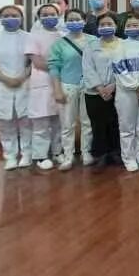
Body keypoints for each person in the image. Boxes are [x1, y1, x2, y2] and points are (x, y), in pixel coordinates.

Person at [0, 5, 32, 170]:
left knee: (26, 122)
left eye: (14, 15)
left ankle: (27, 154)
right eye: (6, 15)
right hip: (0, 85)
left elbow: (33, 62)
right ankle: (10, 156)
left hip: (25, 83)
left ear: (21, 18)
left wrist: (22, 77)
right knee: (5, 124)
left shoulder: (29, 38)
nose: (10, 18)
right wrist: (6, 79)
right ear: (0, 19)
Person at [48, 9, 95, 170]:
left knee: (87, 121)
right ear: (65, 22)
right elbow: (54, 67)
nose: (74, 22)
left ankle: (86, 152)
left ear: (84, 21)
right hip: (68, 85)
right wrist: (57, 89)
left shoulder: (93, 41)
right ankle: (68, 155)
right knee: (67, 123)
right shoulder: (59, 44)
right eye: (70, 20)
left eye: (77, 19)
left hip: (89, 85)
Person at [112, 15, 139, 172]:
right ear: (124, 28)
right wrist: (135, 86)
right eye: (129, 25)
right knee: (127, 126)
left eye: (135, 25)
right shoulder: (119, 46)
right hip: (127, 92)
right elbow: (118, 68)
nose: (132, 28)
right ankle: (128, 158)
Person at [82, 13, 122, 169]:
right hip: (94, 92)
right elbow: (88, 68)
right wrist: (99, 88)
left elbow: (125, 68)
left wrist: (114, 86)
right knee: (98, 124)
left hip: (118, 90)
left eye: (109, 24)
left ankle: (116, 152)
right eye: (102, 25)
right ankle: (101, 154)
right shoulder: (91, 46)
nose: (106, 27)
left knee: (115, 122)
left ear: (116, 26)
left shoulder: (123, 45)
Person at [25, 3, 62, 170]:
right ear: (38, 18)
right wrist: (58, 67)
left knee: (59, 121)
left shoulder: (62, 36)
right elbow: (37, 62)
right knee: (41, 122)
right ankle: (40, 155)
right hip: (41, 81)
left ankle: (57, 152)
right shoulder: (33, 37)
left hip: (60, 82)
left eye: (52, 14)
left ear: (59, 16)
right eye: (45, 15)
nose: (49, 17)